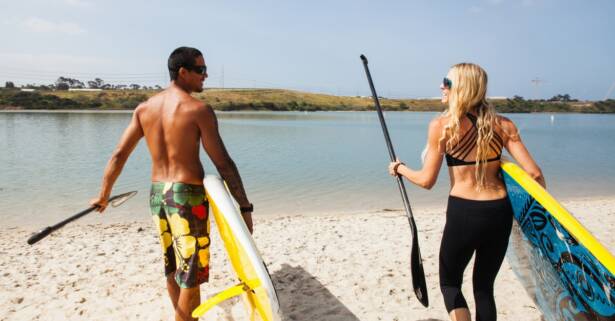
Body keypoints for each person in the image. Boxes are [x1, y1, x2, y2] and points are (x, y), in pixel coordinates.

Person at [90, 46, 254, 321]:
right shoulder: (199, 110)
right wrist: (244, 207)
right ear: (183, 72)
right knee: (191, 269)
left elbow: (119, 154)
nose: (206, 75)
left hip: (158, 196)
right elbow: (223, 162)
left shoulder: (144, 109)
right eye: (200, 70)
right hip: (186, 198)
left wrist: (103, 194)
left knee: (173, 263)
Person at [388, 63, 545, 321]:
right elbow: (535, 175)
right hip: (499, 212)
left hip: (464, 212)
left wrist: (400, 168)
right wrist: (538, 215)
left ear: (462, 87)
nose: (441, 86)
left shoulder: (442, 126)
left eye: (446, 82)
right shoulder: (504, 125)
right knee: (484, 287)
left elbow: (427, 180)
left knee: (450, 283)